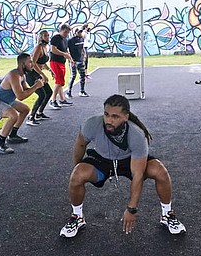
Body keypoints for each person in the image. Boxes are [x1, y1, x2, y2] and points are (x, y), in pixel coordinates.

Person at [59, 94, 186, 238]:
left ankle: (167, 214)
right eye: (106, 114)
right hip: (102, 160)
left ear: (126, 117)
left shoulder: (136, 135)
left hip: (129, 160)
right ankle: (77, 217)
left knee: (159, 171)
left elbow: (138, 175)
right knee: (77, 175)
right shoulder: (91, 124)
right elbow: (80, 145)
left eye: (115, 116)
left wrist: (131, 209)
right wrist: (77, 170)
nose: (109, 120)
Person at [0, 53, 44, 154]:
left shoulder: (22, 75)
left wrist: (35, 85)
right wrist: (36, 87)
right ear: (22, 64)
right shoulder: (14, 75)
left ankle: (12, 135)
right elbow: (21, 96)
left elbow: (26, 90)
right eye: (30, 62)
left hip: (7, 101)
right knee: (13, 115)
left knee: (25, 109)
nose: (33, 64)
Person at [26, 30, 54, 125]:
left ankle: (39, 113)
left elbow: (42, 62)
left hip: (38, 73)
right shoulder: (38, 48)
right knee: (41, 94)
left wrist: (49, 70)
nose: (47, 37)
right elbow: (33, 63)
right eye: (45, 36)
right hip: (32, 74)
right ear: (41, 37)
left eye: (48, 35)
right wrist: (43, 74)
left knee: (49, 92)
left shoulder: (45, 48)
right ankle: (31, 117)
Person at [49, 24, 73, 109]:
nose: (66, 34)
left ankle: (62, 100)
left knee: (60, 81)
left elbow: (66, 51)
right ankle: (53, 100)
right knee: (59, 81)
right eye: (65, 32)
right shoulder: (56, 38)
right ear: (61, 30)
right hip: (55, 62)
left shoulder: (65, 40)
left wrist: (70, 59)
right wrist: (64, 54)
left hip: (62, 62)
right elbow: (53, 49)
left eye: (68, 32)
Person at [67, 27, 89, 98]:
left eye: (80, 32)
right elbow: (67, 50)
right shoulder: (70, 40)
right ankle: (68, 92)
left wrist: (84, 54)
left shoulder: (82, 39)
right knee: (73, 76)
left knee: (82, 75)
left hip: (80, 60)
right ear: (75, 33)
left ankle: (82, 91)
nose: (80, 33)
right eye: (78, 32)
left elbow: (82, 47)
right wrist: (70, 60)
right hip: (73, 60)